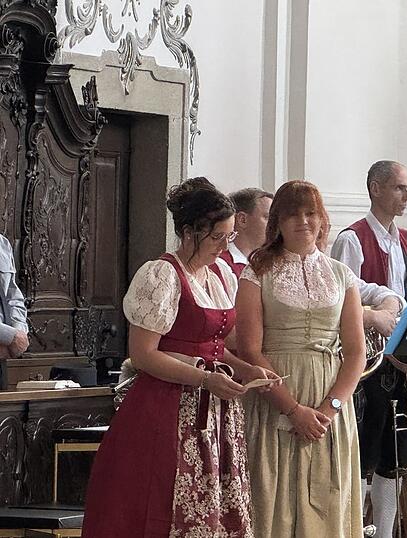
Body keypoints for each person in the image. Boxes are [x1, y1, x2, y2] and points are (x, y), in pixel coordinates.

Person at [84, 177, 278, 537]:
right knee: (161, 503)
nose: (224, 247)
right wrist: (206, 378)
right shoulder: (162, 275)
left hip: (215, 411)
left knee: (216, 510)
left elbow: (217, 345)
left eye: (229, 237)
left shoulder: (219, 274)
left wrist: (245, 367)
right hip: (167, 410)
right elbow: (143, 355)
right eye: (217, 237)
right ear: (189, 232)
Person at [237, 180, 366, 536]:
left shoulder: (341, 275)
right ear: (277, 222)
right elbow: (249, 349)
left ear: (323, 220)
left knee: (328, 497)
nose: (303, 221)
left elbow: (356, 352)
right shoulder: (256, 273)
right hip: (274, 395)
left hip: (330, 401)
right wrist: (292, 409)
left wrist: (330, 408)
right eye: (293, 213)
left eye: (311, 213)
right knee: (271, 499)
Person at [330, 160, 407, 537]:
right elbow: (343, 299)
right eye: (400, 188)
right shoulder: (352, 239)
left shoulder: (404, 240)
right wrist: (386, 347)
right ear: (375, 188)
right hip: (366, 362)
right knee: (363, 455)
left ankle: (384, 532)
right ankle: (354, 528)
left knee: (395, 457)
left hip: (398, 360)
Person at [222, 187, 274, 277]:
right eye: (268, 217)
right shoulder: (219, 264)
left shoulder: (271, 263)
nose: (275, 225)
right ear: (243, 220)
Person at [0, 233, 27, 358]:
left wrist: (19, 330)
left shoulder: (3, 244)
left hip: (4, 352)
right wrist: (9, 336)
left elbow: (13, 296)